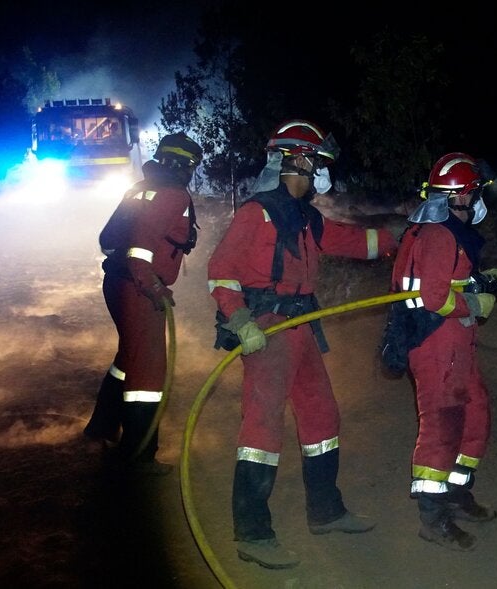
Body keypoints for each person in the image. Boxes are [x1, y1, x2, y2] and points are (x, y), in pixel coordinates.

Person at [207, 119, 398, 569]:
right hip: (268, 329)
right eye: (316, 163)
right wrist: (240, 320)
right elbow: (220, 269)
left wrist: (400, 237)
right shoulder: (257, 213)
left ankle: (326, 512)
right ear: (295, 159)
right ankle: (252, 534)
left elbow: (349, 241)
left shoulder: (306, 217)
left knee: (321, 417)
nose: (319, 173)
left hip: (302, 328)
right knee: (262, 430)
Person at [389, 152, 497, 550]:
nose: (478, 199)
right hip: (435, 346)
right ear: (458, 196)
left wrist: (486, 282)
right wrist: (474, 305)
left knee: (475, 414)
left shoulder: (448, 229)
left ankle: (456, 493)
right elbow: (433, 297)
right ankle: (432, 516)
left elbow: (455, 278)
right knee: (442, 427)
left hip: (457, 345)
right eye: (475, 192)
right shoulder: (438, 233)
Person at [84, 132, 203, 474]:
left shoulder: (140, 188)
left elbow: (111, 242)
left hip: (118, 283)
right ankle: (138, 455)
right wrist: (154, 287)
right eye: (192, 166)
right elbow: (141, 249)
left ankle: (103, 425)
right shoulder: (172, 195)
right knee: (147, 374)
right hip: (139, 289)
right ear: (183, 165)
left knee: (128, 358)